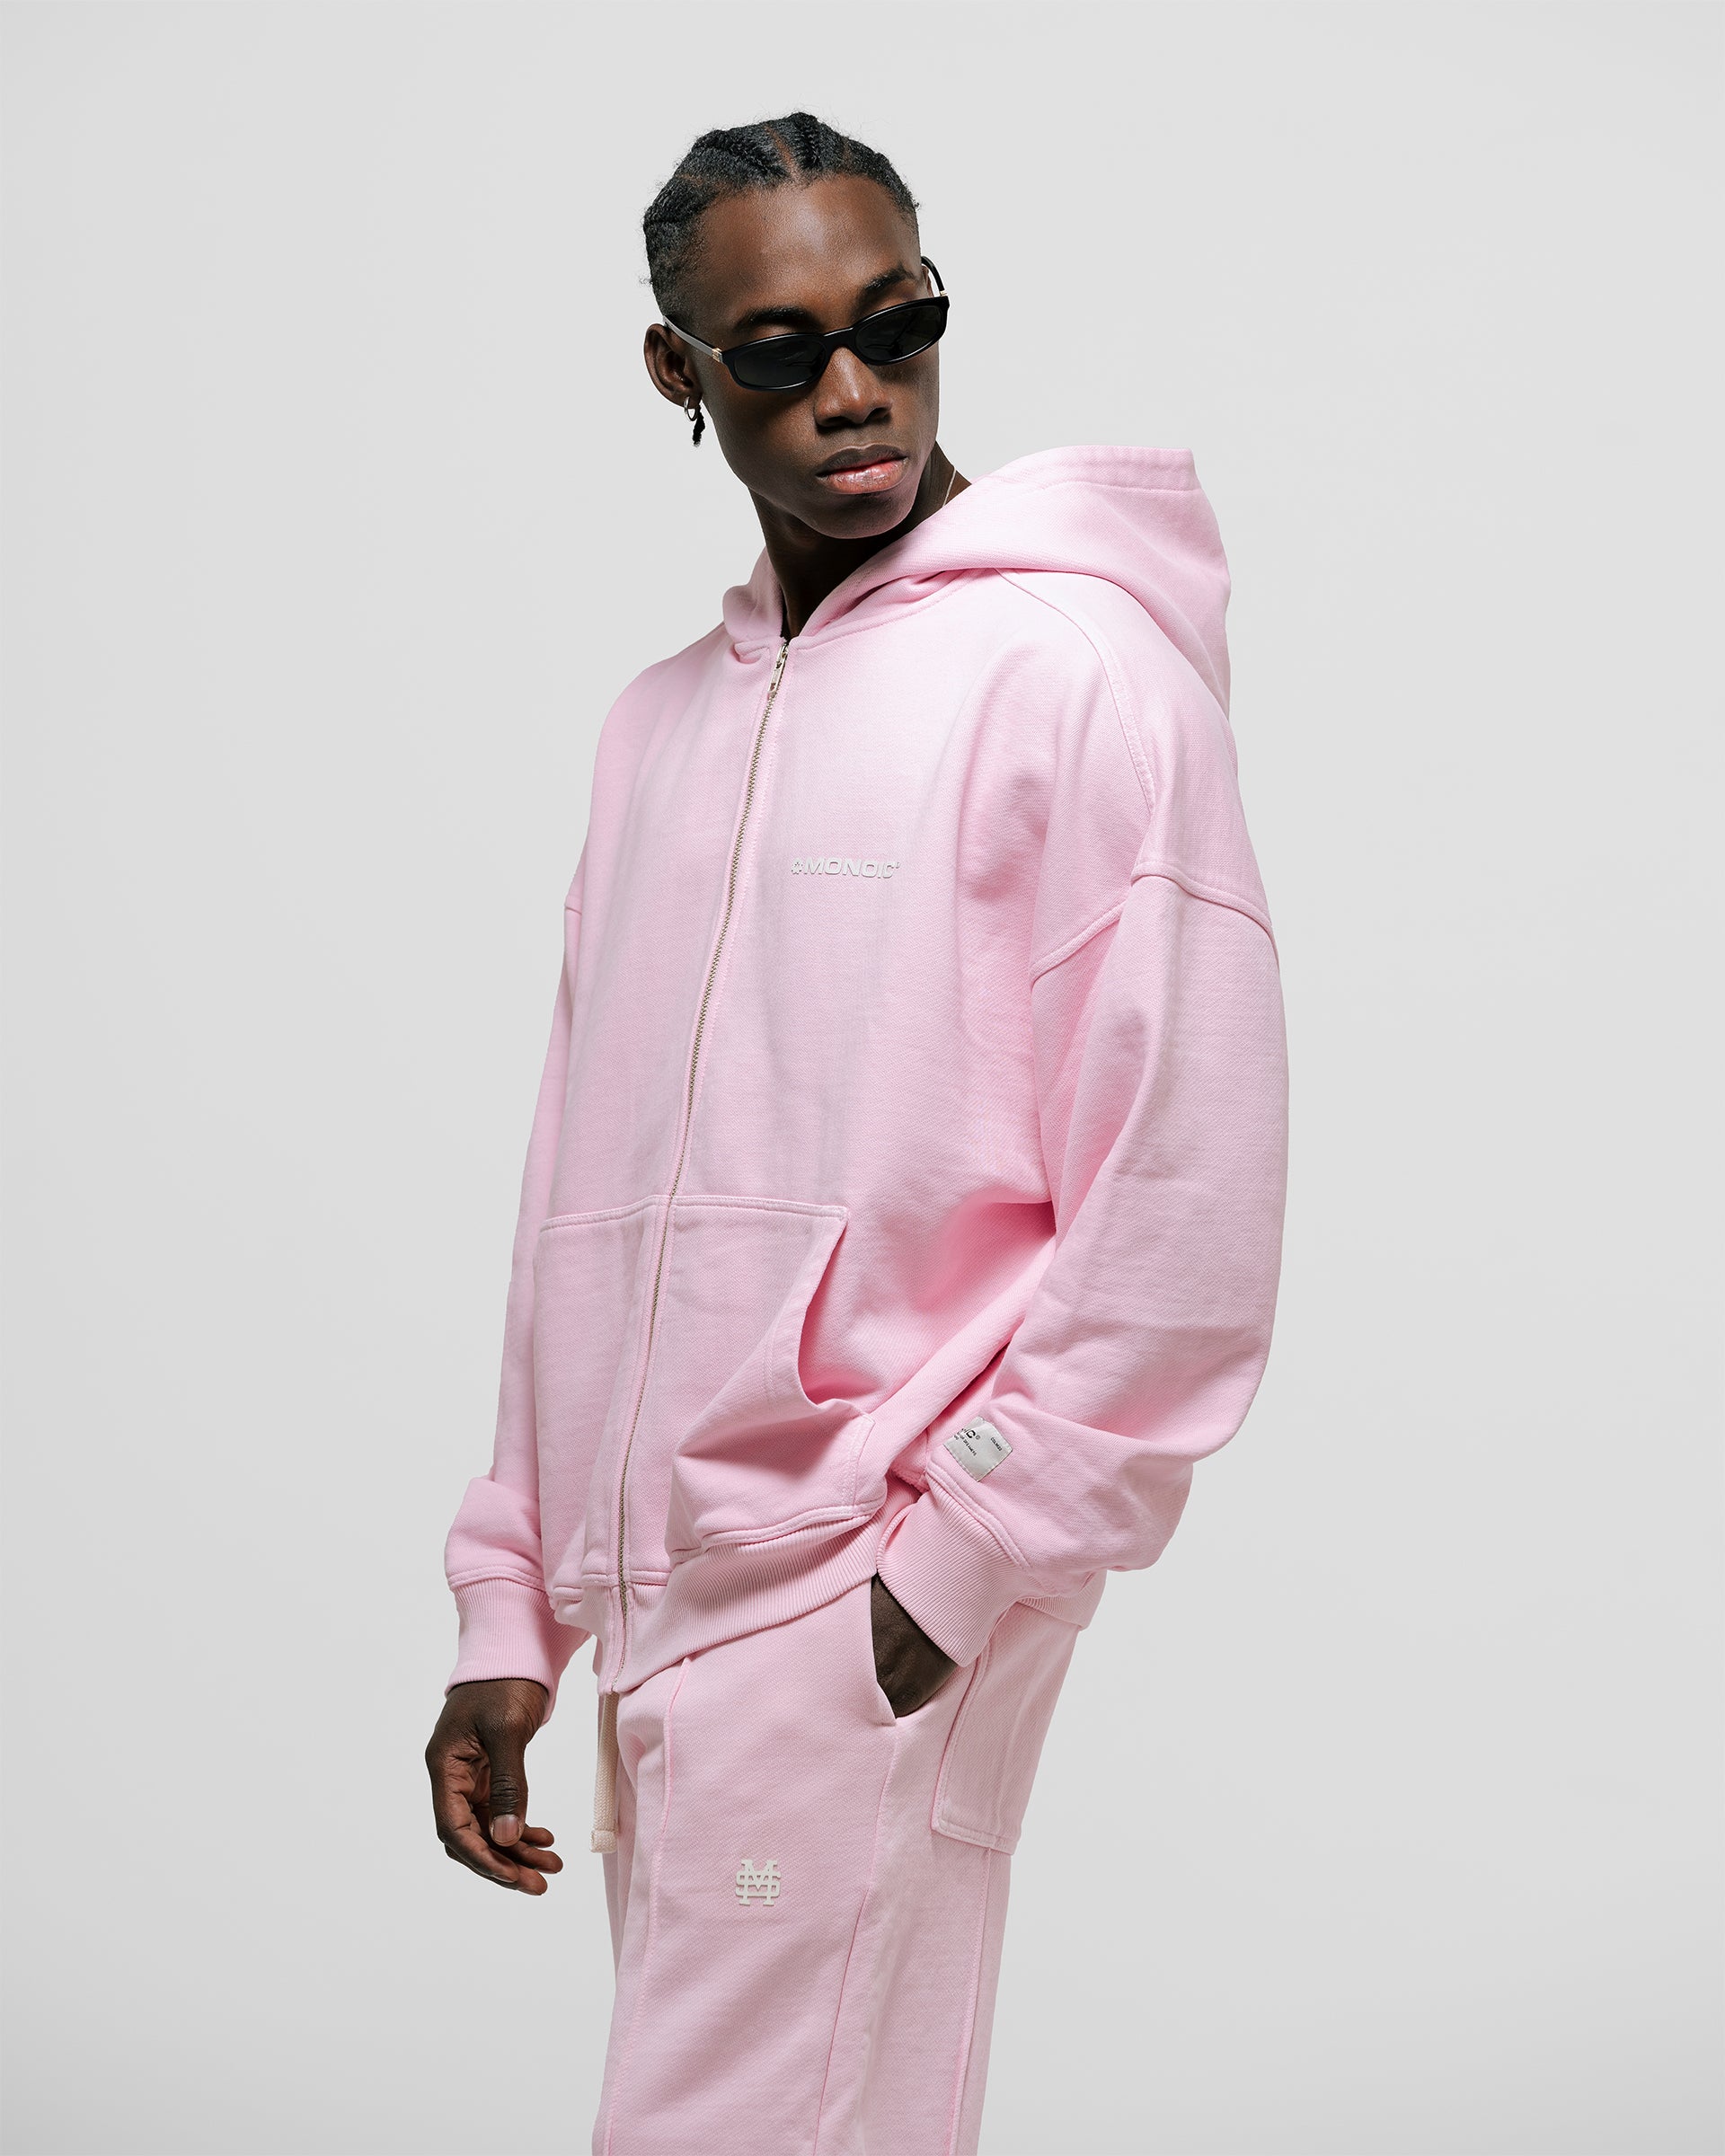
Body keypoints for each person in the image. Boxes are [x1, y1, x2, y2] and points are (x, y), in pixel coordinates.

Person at [424, 113, 1288, 2156]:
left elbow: (1186, 1188)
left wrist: (962, 1557)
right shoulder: (661, 726)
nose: (852, 390)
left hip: (866, 1573)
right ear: (678, 370)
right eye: (779, 349)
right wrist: (515, 1603)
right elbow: (582, 1191)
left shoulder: (1077, 679)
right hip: (665, 1592)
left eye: (897, 326)